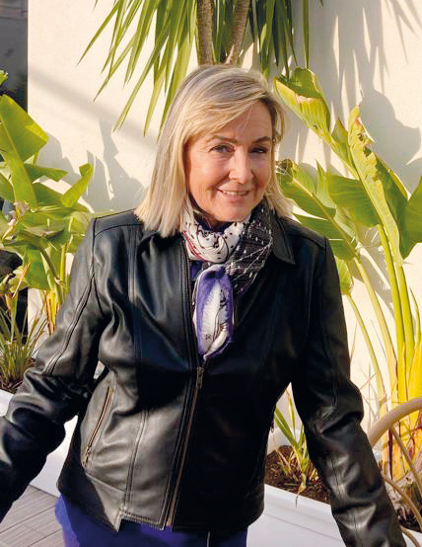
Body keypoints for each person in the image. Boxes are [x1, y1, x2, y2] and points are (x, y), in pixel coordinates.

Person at [0, 65, 405, 547]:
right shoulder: (116, 247)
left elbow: (332, 421)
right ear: (182, 151)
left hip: (216, 527)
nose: (244, 172)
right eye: (222, 148)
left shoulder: (303, 264)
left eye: (259, 149)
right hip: (105, 517)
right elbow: (50, 390)